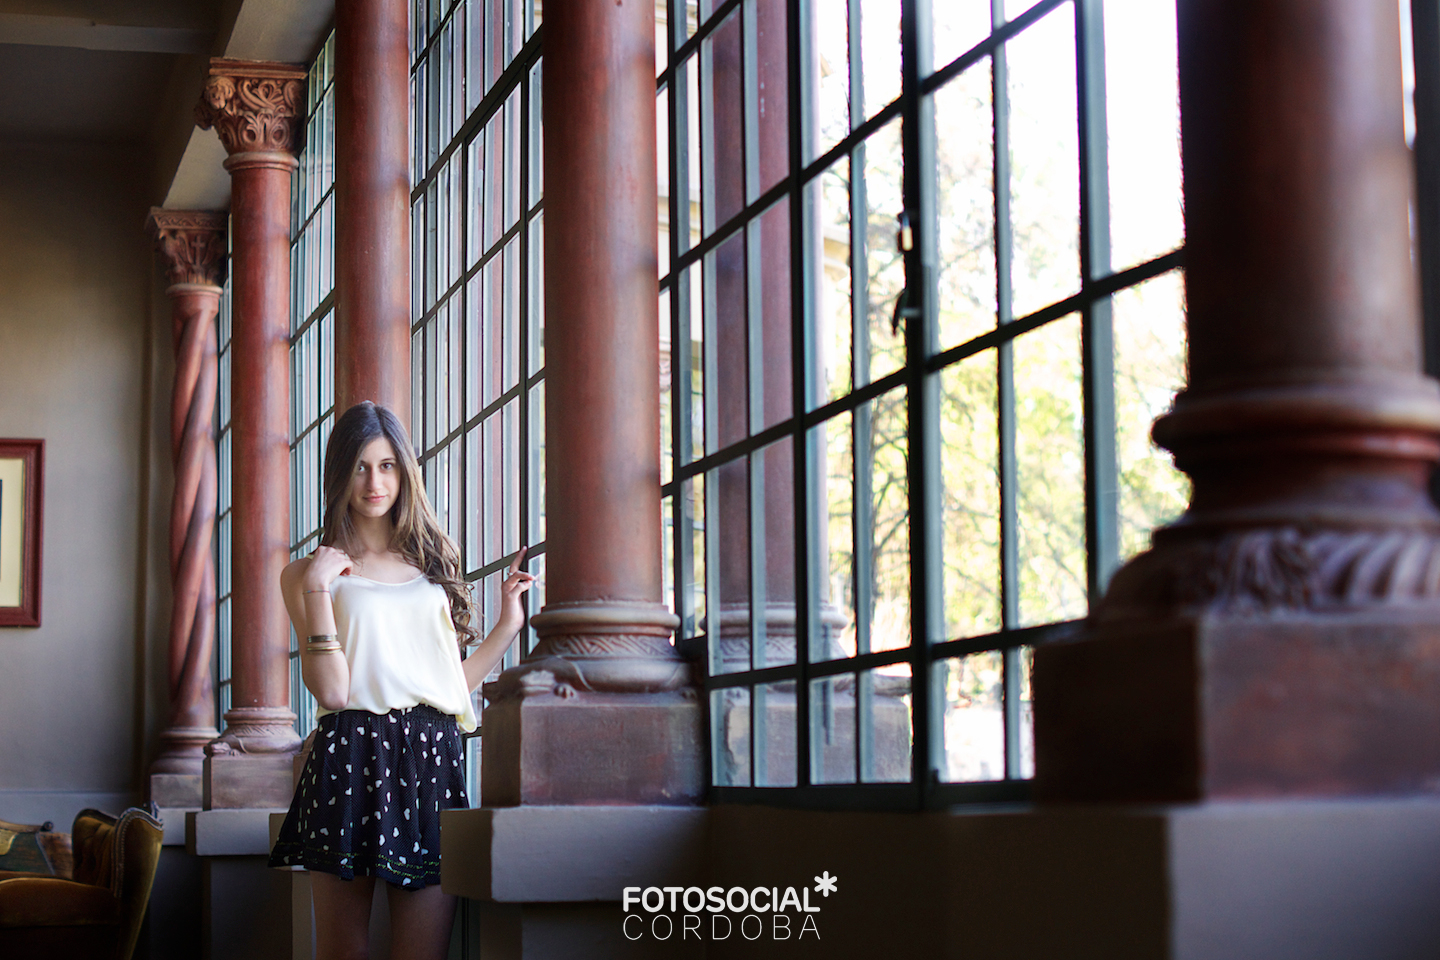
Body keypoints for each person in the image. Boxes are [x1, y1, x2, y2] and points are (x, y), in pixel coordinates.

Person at [268, 401, 534, 960]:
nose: (374, 481)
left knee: (423, 952)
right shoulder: (306, 573)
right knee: (344, 953)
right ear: (339, 473)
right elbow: (334, 692)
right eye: (362, 466)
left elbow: (448, 689)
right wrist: (319, 588)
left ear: (405, 471)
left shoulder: (434, 563)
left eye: (388, 465)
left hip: (432, 756)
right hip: (350, 754)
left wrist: (508, 626)